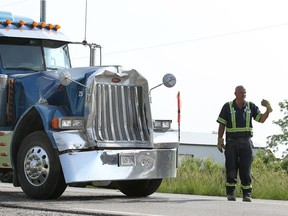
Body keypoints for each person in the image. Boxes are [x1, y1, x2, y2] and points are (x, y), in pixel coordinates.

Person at [216, 85, 272, 202]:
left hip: (246, 142)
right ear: (235, 93)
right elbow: (222, 124)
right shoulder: (228, 106)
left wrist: (267, 110)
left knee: (246, 168)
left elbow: (261, 119)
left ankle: (247, 194)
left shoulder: (251, 106)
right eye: (241, 92)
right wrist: (220, 140)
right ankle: (230, 193)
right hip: (231, 142)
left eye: (245, 92)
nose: (243, 94)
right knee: (231, 167)